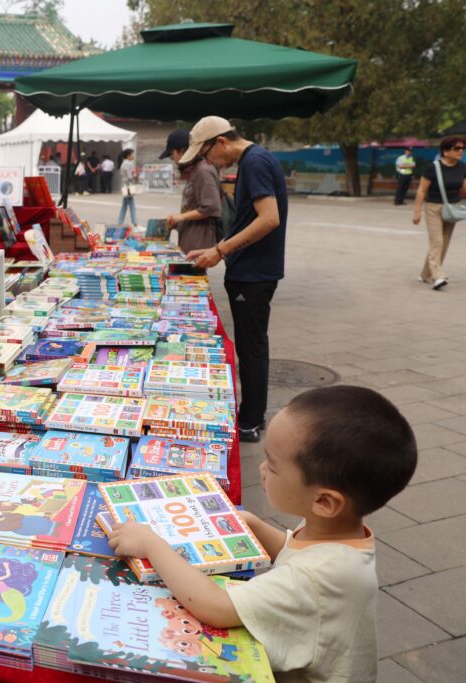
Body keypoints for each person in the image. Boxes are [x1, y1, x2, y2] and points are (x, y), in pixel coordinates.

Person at [108, 385, 417, 683]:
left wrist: (152, 544)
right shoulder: (338, 532)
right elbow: (294, 551)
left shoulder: (319, 576)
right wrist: (252, 524)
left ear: (324, 501)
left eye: (273, 465)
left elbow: (216, 607)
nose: (262, 469)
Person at [185, 116, 287, 443]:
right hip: (254, 269)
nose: (209, 163)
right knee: (253, 345)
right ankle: (253, 415)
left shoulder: (254, 162)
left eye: (206, 155)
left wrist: (220, 249)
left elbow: (269, 219)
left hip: (253, 273)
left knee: (251, 348)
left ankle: (250, 421)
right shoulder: (257, 159)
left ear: (220, 142)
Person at [412, 135, 466, 290]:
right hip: (433, 208)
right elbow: (422, 191)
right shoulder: (433, 168)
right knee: (437, 241)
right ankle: (438, 276)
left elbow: (465, 188)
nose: (461, 151)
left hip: (453, 209)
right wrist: (417, 212)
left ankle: (425, 275)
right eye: (457, 148)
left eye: (463, 148)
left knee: (444, 242)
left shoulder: (463, 167)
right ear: (445, 151)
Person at [161, 128, 221, 253]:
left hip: (198, 241)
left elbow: (211, 207)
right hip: (190, 237)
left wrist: (180, 217)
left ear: (182, 151)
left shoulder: (203, 171)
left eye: (173, 155)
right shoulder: (196, 170)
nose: (174, 161)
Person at [116, 148, 138, 225]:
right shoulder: (128, 163)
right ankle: (135, 223)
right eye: (132, 154)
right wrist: (135, 176)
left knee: (124, 206)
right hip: (128, 186)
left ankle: (119, 222)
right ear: (128, 155)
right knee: (132, 206)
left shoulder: (123, 163)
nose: (133, 156)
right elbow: (129, 176)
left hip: (124, 186)